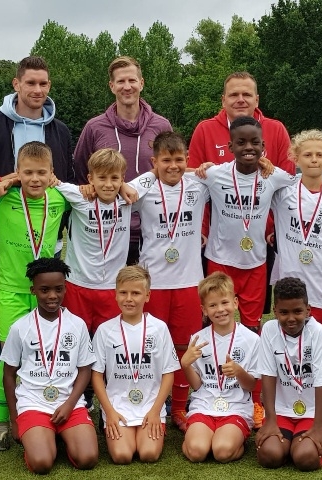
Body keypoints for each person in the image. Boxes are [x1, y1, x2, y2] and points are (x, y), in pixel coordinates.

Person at [0, 56, 75, 439]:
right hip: (3, 242)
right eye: (31, 83)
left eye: (43, 83)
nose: (37, 90)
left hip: (48, 250)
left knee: (45, 332)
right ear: (16, 84)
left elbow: (68, 182)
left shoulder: (59, 129)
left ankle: (40, 399)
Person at [196, 116, 294, 427]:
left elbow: (302, 183)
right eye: (241, 142)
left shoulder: (273, 176)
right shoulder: (215, 174)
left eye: (254, 142)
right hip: (220, 261)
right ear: (230, 146)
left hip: (255, 264)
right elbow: (181, 175)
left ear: (264, 146)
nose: (248, 147)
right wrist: (200, 167)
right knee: (210, 321)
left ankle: (256, 401)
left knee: (252, 331)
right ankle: (205, 390)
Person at [0, 141, 70, 450]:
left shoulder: (60, 197)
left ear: (51, 172)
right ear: (18, 172)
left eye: (42, 172)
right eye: (27, 172)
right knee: (10, 357)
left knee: (44, 354)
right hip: (11, 293)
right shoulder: (3, 196)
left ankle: (41, 411)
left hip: (46, 295)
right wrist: (5, 181)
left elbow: (93, 191)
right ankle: (1, 421)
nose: (34, 179)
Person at [133, 131, 210, 431]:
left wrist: (201, 169)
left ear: (188, 159)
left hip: (189, 282)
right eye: (165, 160)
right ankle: (149, 405)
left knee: (184, 347)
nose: (173, 166)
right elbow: (123, 191)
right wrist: (151, 174)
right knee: (149, 346)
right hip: (152, 283)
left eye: (179, 159)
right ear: (154, 161)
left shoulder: (199, 185)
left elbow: (228, 173)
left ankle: (178, 407)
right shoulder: (145, 187)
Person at [1, 258, 98, 474]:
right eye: (44, 290)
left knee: (88, 459)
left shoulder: (77, 325)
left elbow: (85, 369)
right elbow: (8, 374)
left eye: (58, 289)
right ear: (33, 290)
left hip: (69, 403)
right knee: (42, 463)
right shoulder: (20, 327)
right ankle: (44, 437)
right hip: (33, 403)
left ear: (65, 289)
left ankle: (58, 435)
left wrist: (70, 404)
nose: (52, 296)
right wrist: (15, 420)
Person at [74, 56, 172, 265]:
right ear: (112, 86)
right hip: (108, 228)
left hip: (153, 229)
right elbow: (82, 172)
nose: (127, 87)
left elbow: (171, 170)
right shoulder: (94, 127)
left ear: (141, 83)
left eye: (132, 80)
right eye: (120, 81)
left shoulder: (161, 126)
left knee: (147, 287)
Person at [56, 149, 156, 334]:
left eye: (114, 178)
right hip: (78, 284)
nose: (108, 184)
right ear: (90, 178)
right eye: (102, 178)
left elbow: (158, 171)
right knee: (75, 339)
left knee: (110, 340)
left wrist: (124, 186)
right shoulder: (78, 195)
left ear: (122, 178)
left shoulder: (128, 196)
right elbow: (48, 180)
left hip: (113, 286)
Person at [92, 265, 180, 464]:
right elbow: (96, 375)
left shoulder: (159, 328)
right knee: (122, 456)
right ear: (115, 294)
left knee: (149, 454)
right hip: (118, 407)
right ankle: (112, 424)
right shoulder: (105, 330)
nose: (129, 298)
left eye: (136, 293)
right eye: (123, 292)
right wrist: (109, 412)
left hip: (150, 407)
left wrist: (156, 411)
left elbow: (168, 373)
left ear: (147, 296)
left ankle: (150, 424)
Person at [256, 277, 322, 471]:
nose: (291, 318)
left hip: (313, 412)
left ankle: (299, 444)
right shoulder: (269, 330)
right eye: (284, 312)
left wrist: (318, 427)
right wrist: (271, 420)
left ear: (308, 310)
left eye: (297, 311)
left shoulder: (318, 332)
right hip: (281, 411)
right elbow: (268, 376)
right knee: (269, 455)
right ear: (275, 311)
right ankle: (288, 444)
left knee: (305, 458)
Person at [271, 130, 322, 330]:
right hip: (287, 282)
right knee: (288, 339)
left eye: (319, 155)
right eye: (307, 155)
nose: (314, 159)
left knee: (320, 340)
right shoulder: (282, 193)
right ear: (296, 159)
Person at [181, 272, 259, 463]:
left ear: (235, 303)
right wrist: (185, 364)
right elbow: (197, 386)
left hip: (236, 407)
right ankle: (200, 439)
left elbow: (251, 386)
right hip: (204, 405)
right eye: (213, 305)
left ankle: (234, 441)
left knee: (222, 452)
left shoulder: (252, 340)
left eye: (225, 302)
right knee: (197, 452)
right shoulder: (198, 339)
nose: (220, 309)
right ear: (204, 310)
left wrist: (239, 371)